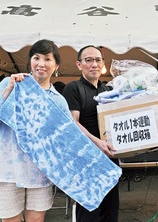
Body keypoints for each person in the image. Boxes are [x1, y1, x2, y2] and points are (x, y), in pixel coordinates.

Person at [0, 39, 72, 222]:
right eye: (36, 57)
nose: (41, 64)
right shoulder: (8, 85)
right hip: (8, 169)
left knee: (36, 220)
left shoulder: (58, 101)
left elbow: (68, 137)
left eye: (47, 59)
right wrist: (8, 89)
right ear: (30, 62)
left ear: (56, 66)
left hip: (39, 170)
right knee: (10, 220)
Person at [62, 45, 119, 222]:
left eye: (98, 60)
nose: (94, 64)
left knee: (110, 212)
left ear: (103, 65)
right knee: (90, 214)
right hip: (86, 163)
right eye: (88, 60)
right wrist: (98, 143)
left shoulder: (108, 91)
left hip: (110, 161)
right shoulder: (74, 88)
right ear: (79, 65)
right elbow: (73, 123)